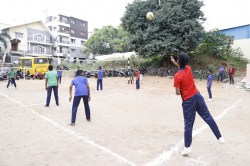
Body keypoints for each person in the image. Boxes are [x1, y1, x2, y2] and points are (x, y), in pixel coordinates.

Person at [171, 52, 224, 156]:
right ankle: (219, 137)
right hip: (198, 96)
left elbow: (178, 93)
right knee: (207, 116)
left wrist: (181, 87)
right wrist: (175, 63)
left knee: (188, 124)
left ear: (178, 62)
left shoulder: (177, 76)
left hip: (188, 100)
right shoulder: (189, 68)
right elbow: (182, 67)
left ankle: (187, 148)